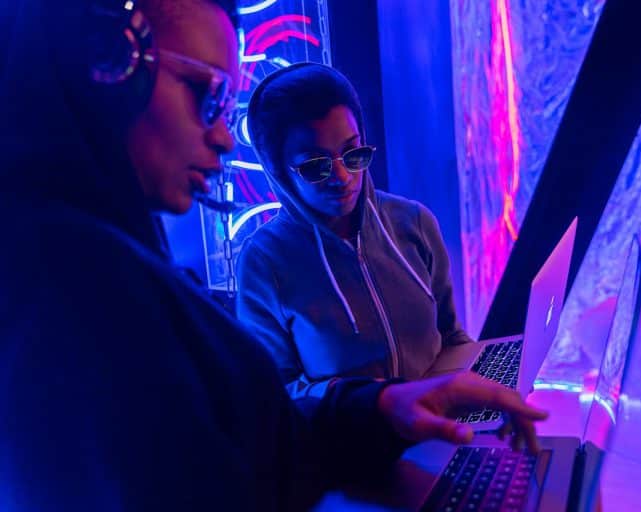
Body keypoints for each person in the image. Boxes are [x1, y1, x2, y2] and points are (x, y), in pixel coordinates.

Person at [0, 1, 547, 510]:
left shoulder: (116, 266)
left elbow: (271, 445)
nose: (219, 136)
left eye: (353, 153)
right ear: (111, 60)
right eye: (204, 92)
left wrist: (389, 409)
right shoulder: (66, 289)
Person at [238, 63, 474, 399]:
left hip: (444, 434)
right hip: (350, 449)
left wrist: (483, 389)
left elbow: (451, 338)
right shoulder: (265, 262)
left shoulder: (414, 223)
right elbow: (272, 396)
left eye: (353, 153)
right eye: (317, 166)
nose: (343, 177)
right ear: (279, 172)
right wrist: (370, 404)